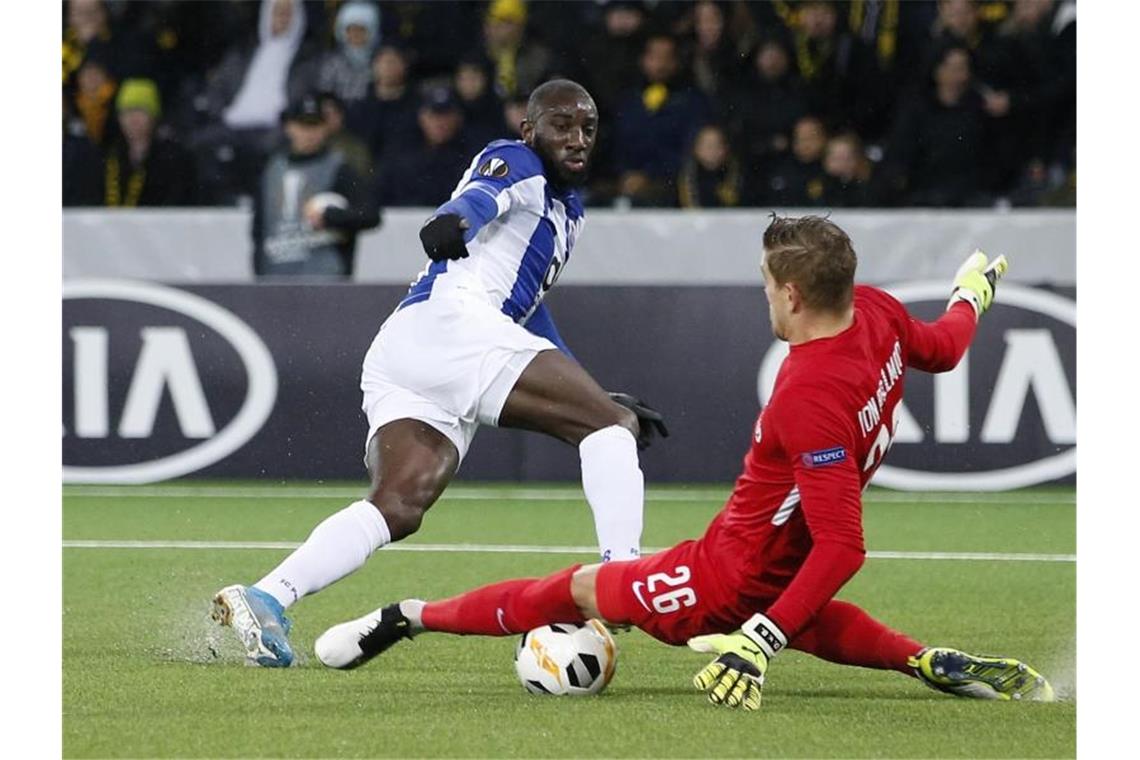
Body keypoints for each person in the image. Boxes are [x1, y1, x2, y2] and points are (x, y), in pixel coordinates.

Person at [310, 215, 1055, 710]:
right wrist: (970, 295)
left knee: (577, 588)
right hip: (773, 567)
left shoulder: (809, 391)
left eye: (768, 284)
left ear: (793, 294)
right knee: (800, 611)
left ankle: (406, 616)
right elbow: (947, 349)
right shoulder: (881, 312)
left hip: (721, 579)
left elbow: (844, 545)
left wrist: (755, 641)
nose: (764, 294)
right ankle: (919, 660)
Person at [213, 79, 668, 667]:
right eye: (561, 125)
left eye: (587, 128)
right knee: (609, 430)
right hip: (454, 328)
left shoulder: (567, 209)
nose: (577, 138)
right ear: (531, 129)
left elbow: (527, 311)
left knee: (398, 505)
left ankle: (266, 596)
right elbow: (480, 196)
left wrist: (585, 388)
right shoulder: (519, 159)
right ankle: (622, 577)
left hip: (411, 346)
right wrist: (453, 220)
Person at [251, 93, 380, 277]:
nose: (309, 133)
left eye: (315, 125)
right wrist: (259, 274)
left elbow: (370, 215)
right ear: (289, 127)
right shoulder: (271, 169)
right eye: (303, 125)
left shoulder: (339, 168)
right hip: (276, 276)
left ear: (325, 128)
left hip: (326, 277)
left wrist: (331, 217)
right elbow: (259, 229)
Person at [99, 78, 199, 207]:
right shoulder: (108, 154)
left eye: (140, 111)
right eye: (127, 111)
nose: (133, 119)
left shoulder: (174, 157)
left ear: (154, 116)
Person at [374, 87, 472, 207]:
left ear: (458, 118)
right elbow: (381, 193)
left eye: (446, 115)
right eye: (434, 115)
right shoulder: (400, 152)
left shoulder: (471, 154)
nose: (440, 122)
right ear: (422, 117)